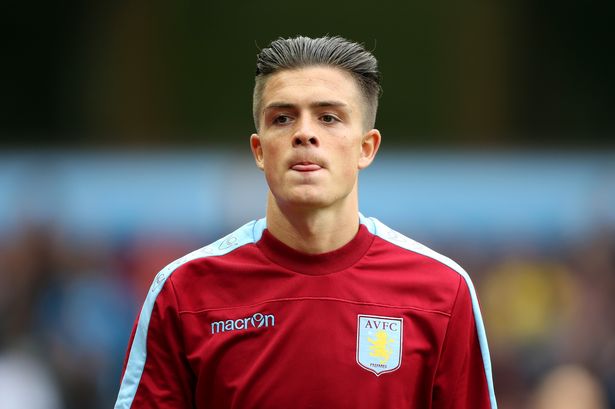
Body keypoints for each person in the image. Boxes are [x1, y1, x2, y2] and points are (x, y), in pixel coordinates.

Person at [114, 35, 497, 409]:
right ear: (259, 150)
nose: (304, 134)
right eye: (283, 118)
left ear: (367, 148)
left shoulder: (443, 291)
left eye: (328, 117)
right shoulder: (183, 292)